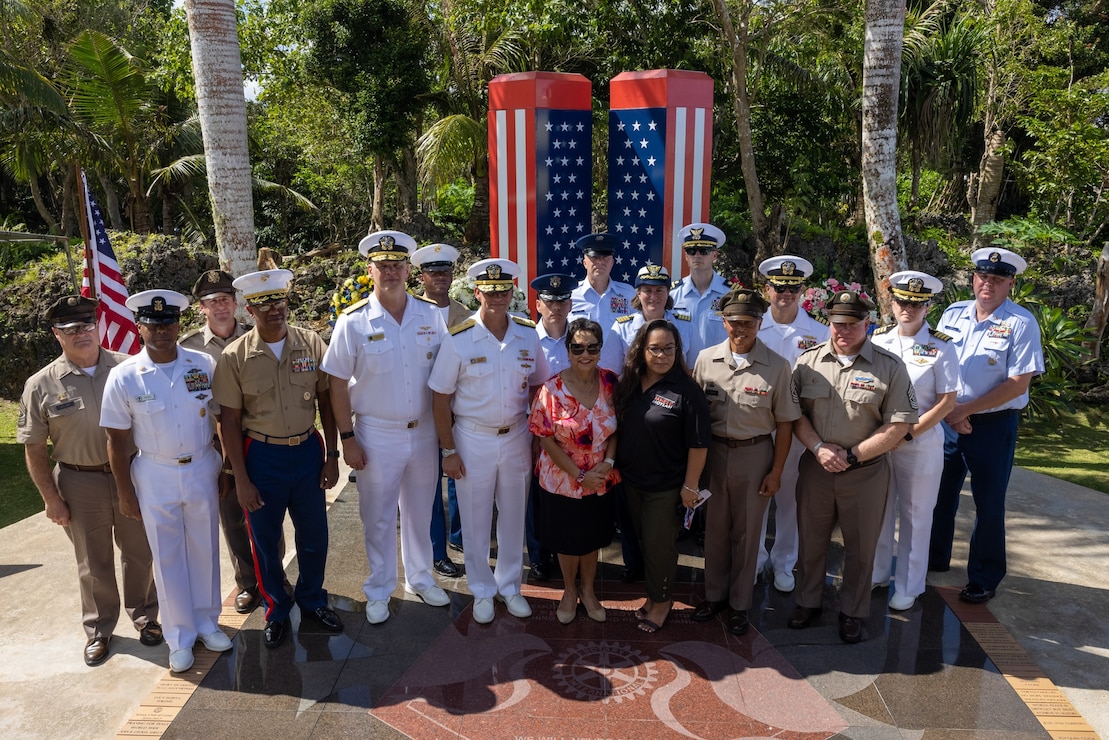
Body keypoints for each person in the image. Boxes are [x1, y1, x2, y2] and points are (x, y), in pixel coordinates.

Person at [18, 295, 160, 667]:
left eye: (86, 326)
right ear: (56, 335)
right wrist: (51, 499)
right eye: (70, 329)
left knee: (140, 552)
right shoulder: (41, 385)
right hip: (79, 482)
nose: (81, 334)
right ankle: (99, 630)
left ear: (97, 326)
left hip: (130, 475)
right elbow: (33, 449)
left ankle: (146, 616)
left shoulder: (129, 369)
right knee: (91, 561)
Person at [323, 231, 451, 625]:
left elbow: (447, 376)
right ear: (370, 270)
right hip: (376, 433)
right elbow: (336, 383)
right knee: (377, 515)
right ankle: (379, 587)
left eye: (397, 265)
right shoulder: (353, 321)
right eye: (383, 266)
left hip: (425, 429)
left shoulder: (431, 315)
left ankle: (420, 578)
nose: (391, 272)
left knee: (419, 510)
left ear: (409, 270)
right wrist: (347, 438)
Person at [100, 290, 232, 673]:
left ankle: (208, 623)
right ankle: (179, 637)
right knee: (168, 556)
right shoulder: (124, 376)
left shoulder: (203, 363)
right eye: (154, 325)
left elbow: (219, 418)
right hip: (155, 472)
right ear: (140, 327)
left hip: (202, 466)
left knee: (205, 548)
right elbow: (117, 439)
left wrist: (223, 467)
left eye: (169, 323)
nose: (162, 331)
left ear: (178, 325)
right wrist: (125, 493)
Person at [213, 269, 343, 649]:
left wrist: (332, 455)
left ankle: (313, 599)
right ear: (249, 309)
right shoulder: (234, 357)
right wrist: (241, 478)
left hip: (306, 451)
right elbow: (230, 423)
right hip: (261, 456)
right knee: (266, 541)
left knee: (315, 533)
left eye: (280, 301)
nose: (274, 309)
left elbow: (326, 401)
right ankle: (276, 609)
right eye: (264, 303)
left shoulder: (310, 343)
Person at [789, 290, 918, 643]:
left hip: (865, 472)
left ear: (868, 324)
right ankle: (807, 601)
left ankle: (852, 612)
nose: (843, 331)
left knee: (861, 549)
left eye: (852, 324)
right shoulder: (807, 363)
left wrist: (853, 454)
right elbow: (795, 414)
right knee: (810, 541)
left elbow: (899, 425)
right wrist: (817, 448)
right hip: (817, 468)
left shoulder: (890, 367)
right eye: (837, 323)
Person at [429, 258, 550, 625]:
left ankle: (510, 585)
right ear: (477, 292)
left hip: (516, 435)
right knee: (475, 517)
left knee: (514, 515)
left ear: (512, 292)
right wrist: (448, 450)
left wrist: (537, 436)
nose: (497, 297)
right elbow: (439, 397)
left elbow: (539, 386)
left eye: (503, 290)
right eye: (489, 290)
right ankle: (481, 589)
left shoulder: (528, 334)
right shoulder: (460, 337)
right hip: (471, 437)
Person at [930, 248, 1044, 604]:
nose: (988, 284)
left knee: (989, 503)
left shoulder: (1021, 323)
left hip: (993, 426)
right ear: (973, 278)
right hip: (948, 421)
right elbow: (934, 363)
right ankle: (933, 560)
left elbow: (1017, 383)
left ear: (1010, 283)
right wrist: (952, 412)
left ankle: (984, 576)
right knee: (938, 495)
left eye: (997, 279)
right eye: (983, 276)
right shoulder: (952, 315)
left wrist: (964, 410)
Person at [691, 289, 799, 635]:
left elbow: (785, 423)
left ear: (759, 323)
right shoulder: (706, 360)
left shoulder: (778, 367)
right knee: (716, 531)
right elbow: (694, 418)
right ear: (724, 323)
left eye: (749, 323)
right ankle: (714, 596)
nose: (741, 329)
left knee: (749, 533)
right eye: (735, 322)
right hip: (714, 455)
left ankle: (740, 604)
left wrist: (777, 470)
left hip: (756, 455)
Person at [179, 269, 278, 615]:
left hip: (258, 438)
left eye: (224, 300)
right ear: (201, 309)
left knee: (269, 511)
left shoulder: (258, 336)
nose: (220, 307)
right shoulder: (186, 348)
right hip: (215, 445)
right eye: (211, 302)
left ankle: (274, 575)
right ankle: (248, 583)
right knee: (232, 516)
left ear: (235, 304)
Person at [613, 319, 710, 633]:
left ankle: (662, 602)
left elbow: (698, 445)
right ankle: (653, 596)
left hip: (666, 487)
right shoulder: (629, 383)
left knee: (660, 547)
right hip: (631, 482)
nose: (662, 355)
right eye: (654, 348)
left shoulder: (687, 390)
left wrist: (690, 486)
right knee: (644, 543)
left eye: (669, 348)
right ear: (641, 350)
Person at [870, 271, 960, 611]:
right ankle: (877, 574)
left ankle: (909, 584)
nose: (908, 308)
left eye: (916, 304)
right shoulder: (877, 340)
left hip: (919, 444)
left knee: (915, 514)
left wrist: (907, 433)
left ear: (927, 307)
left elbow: (946, 401)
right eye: (903, 301)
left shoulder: (942, 345)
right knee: (878, 510)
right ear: (892, 302)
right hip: (878, 440)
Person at [528, 318, 620, 624]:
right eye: (578, 347)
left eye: (592, 347)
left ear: (600, 349)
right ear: (567, 349)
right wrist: (579, 475)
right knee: (568, 539)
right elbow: (544, 437)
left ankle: (589, 590)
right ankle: (569, 591)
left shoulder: (610, 382)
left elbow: (617, 428)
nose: (585, 353)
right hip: (562, 477)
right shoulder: (551, 389)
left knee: (591, 538)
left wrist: (608, 463)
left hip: (601, 476)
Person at [755, 255, 830, 592]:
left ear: (803, 290)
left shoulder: (819, 332)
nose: (785, 294)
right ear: (767, 288)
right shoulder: (752, 326)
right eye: (779, 288)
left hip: (799, 429)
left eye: (793, 288)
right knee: (756, 497)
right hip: (757, 426)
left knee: (790, 500)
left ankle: (784, 563)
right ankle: (755, 560)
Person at [411, 243, 468, 577]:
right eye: (434, 272)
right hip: (420, 410)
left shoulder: (464, 315)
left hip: (459, 411)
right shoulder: (411, 313)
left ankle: (460, 536)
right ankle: (437, 551)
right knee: (429, 484)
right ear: (422, 277)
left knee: (459, 476)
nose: (440, 278)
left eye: (445, 271)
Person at [526, 272, 579, 582]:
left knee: (570, 494)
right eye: (549, 301)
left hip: (577, 435)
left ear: (570, 304)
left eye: (561, 301)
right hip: (538, 431)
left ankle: (568, 552)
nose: (556, 307)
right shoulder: (527, 339)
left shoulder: (581, 340)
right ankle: (539, 555)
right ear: (538, 305)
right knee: (537, 497)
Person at [600, 263, 695, 374]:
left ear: (668, 292)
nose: (653, 297)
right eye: (647, 290)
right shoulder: (622, 328)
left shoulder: (686, 325)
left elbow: (693, 369)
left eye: (659, 290)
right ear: (638, 293)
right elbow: (610, 371)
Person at [669, 222, 731, 359]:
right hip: (681, 371)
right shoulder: (672, 294)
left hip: (718, 369)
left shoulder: (730, 294)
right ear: (686, 256)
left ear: (714, 255)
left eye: (704, 251)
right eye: (692, 251)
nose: (697, 256)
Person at [569, 232, 636, 330]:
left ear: (612, 262)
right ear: (584, 263)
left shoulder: (628, 293)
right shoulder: (571, 295)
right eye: (594, 257)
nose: (600, 261)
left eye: (605, 257)